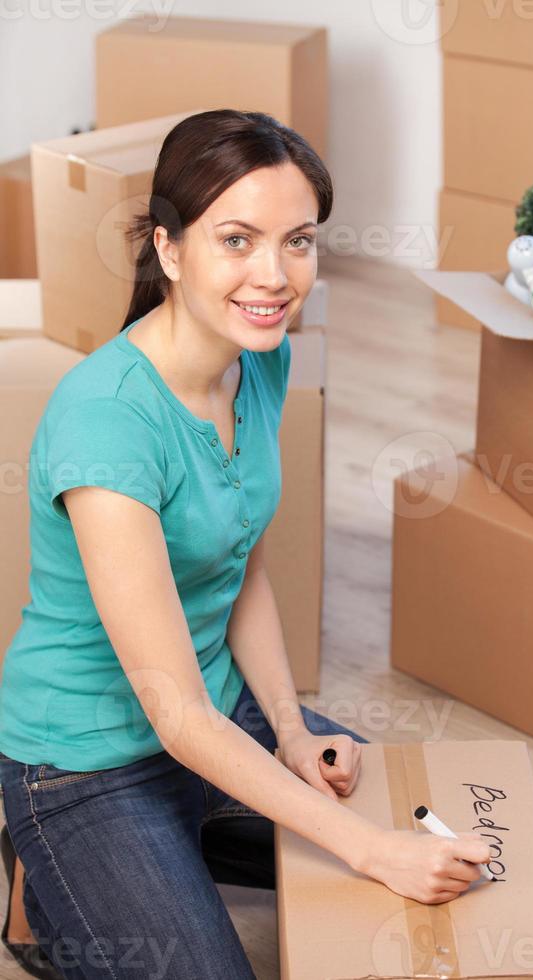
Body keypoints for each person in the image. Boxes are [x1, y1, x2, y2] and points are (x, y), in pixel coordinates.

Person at [0, 110, 491, 979]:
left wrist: (294, 734)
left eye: (297, 241)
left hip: (215, 711)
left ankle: (146, 861)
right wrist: (371, 853)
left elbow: (241, 561)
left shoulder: (259, 354)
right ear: (172, 248)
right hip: (87, 761)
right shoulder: (108, 423)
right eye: (238, 239)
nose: (274, 275)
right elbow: (175, 716)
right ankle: (48, 883)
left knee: (431, 826)